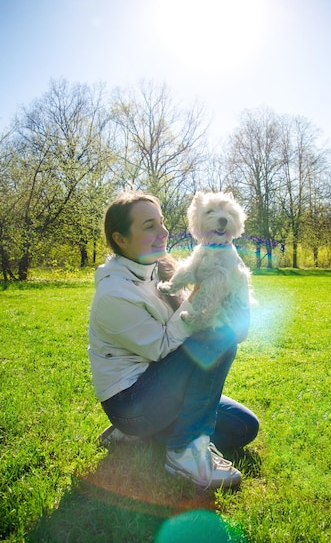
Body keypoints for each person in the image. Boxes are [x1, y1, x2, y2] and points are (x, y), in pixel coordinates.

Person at [88, 190, 259, 490]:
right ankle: (182, 450)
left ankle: (143, 434)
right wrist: (202, 293)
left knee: (244, 427)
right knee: (217, 340)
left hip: (165, 387)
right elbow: (163, 347)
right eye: (149, 226)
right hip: (132, 401)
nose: (163, 232)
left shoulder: (161, 267)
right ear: (121, 239)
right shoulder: (114, 294)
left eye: (162, 222)